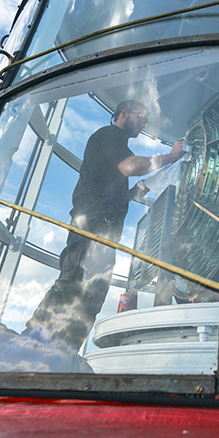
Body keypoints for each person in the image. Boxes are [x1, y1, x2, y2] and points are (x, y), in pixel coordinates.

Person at [26, 100, 185, 350]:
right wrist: (171, 157)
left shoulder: (115, 147)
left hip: (102, 232)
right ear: (124, 113)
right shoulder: (109, 135)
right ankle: (30, 347)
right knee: (74, 286)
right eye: (141, 117)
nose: (144, 123)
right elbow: (130, 166)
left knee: (90, 296)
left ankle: (63, 353)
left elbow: (111, 190)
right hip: (91, 229)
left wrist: (134, 192)